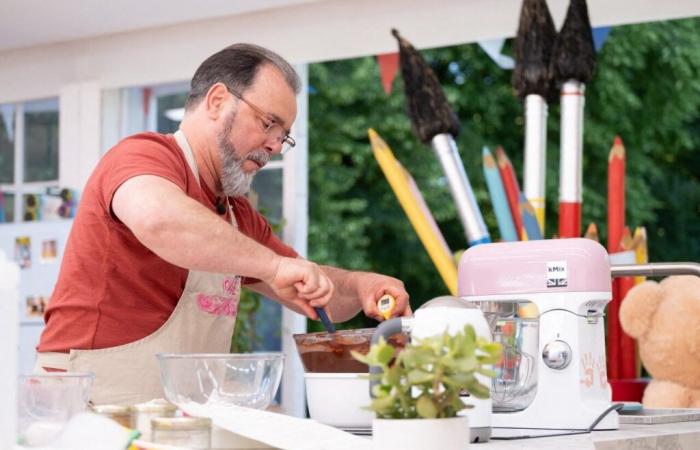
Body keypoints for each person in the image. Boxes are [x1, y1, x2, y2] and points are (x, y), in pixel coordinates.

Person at [36, 43, 411, 405]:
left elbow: (307, 291)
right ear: (217, 102)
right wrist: (273, 265)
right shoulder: (143, 156)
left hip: (173, 415)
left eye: (283, 136)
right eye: (268, 124)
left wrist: (361, 286)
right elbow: (161, 219)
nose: (275, 145)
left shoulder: (236, 215)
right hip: (90, 405)